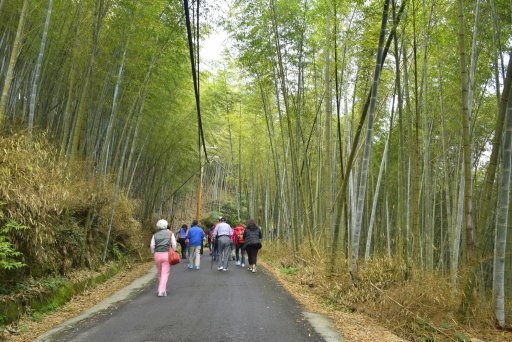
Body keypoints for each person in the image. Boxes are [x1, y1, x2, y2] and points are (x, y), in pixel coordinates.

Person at [150, 219, 177, 297]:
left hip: (157, 255)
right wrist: (173, 250)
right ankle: (161, 291)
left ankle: (163, 289)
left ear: (158, 226)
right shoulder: (170, 233)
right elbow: (174, 244)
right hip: (166, 254)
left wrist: (153, 252)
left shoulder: (155, 235)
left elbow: (152, 246)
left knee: (160, 272)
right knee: (165, 273)